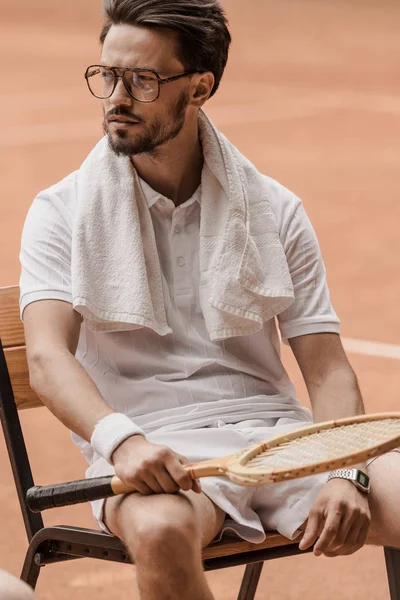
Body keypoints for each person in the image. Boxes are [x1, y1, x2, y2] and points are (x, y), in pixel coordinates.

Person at [19, 1, 399, 599]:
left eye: (142, 80)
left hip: (279, 440)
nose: (116, 96)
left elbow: (327, 368)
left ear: (201, 87)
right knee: (161, 528)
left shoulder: (275, 209)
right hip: (151, 453)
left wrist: (345, 469)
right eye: (107, 75)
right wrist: (123, 441)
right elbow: (46, 359)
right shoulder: (60, 212)